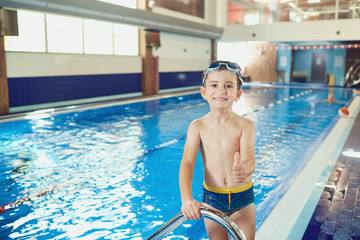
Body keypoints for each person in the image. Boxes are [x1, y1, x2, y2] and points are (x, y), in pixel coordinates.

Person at [179, 60, 256, 240]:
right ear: (204, 92)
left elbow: (250, 159)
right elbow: (187, 163)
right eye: (214, 85)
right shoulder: (197, 126)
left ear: (238, 94)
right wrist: (187, 198)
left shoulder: (246, 125)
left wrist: (244, 168)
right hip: (213, 200)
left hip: (242, 199)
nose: (221, 91)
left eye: (228, 86)